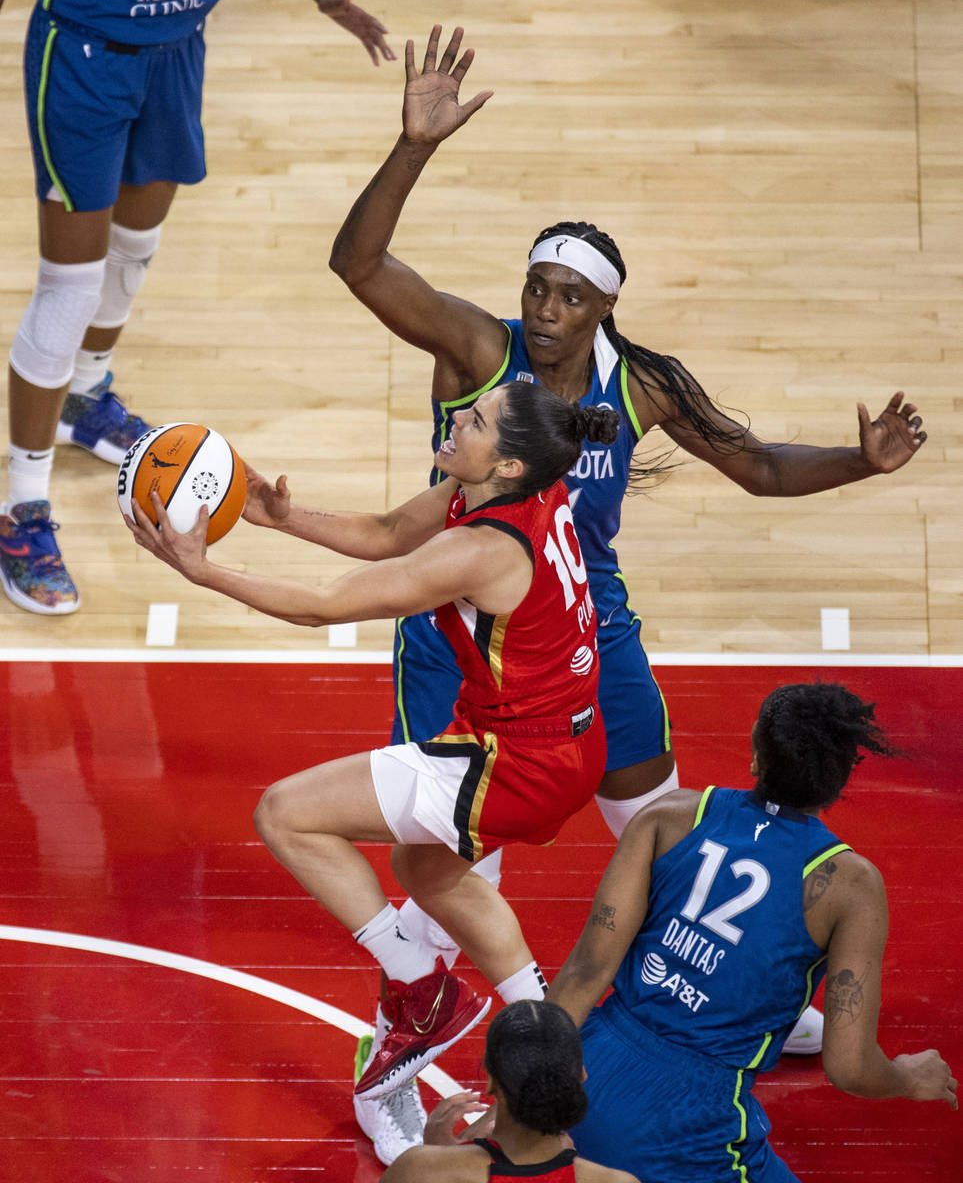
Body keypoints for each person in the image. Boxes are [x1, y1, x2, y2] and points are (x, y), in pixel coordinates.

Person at [328, 23, 928, 1154]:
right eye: (536, 288)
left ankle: (730, 990)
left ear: (602, 310)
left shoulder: (641, 383)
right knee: (452, 875)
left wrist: (858, 461)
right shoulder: (475, 351)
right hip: (461, 627)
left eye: (567, 296)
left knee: (657, 817)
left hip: (582, 617)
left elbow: (752, 465)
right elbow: (359, 268)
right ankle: (391, 1065)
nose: (544, 309)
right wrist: (411, 148)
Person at [125, 380, 618, 1097]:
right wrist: (280, 519)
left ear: (507, 463)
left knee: (285, 814)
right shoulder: (514, 486)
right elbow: (389, 533)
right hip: (564, 740)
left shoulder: (480, 548)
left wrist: (202, 571)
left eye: (475, 420)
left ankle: (423, 991)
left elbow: (325, 606)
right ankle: (541, 1026)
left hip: (517, 761)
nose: (456, 418)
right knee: (424, 870)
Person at [0, 0, 393, 616]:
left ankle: (86, 399)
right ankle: (22, 511)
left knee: (134, 247)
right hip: (85, 54)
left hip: (178, 51)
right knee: (69, 287)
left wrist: (328, 0)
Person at [544, 682, 958, 1182]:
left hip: (582, 1073)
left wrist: (523, 1091)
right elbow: (849, 1067)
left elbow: (585, 971)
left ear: (756, 756)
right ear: (842, 776)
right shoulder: (851, 886)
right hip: (691, 1119)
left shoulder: (668, 815)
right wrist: (908, 1078)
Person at [379, 1000, 640, 1183]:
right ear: (581, 1075)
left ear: (492, 1081)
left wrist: (436, 1154)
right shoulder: (618, 1181)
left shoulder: (420, 1170)